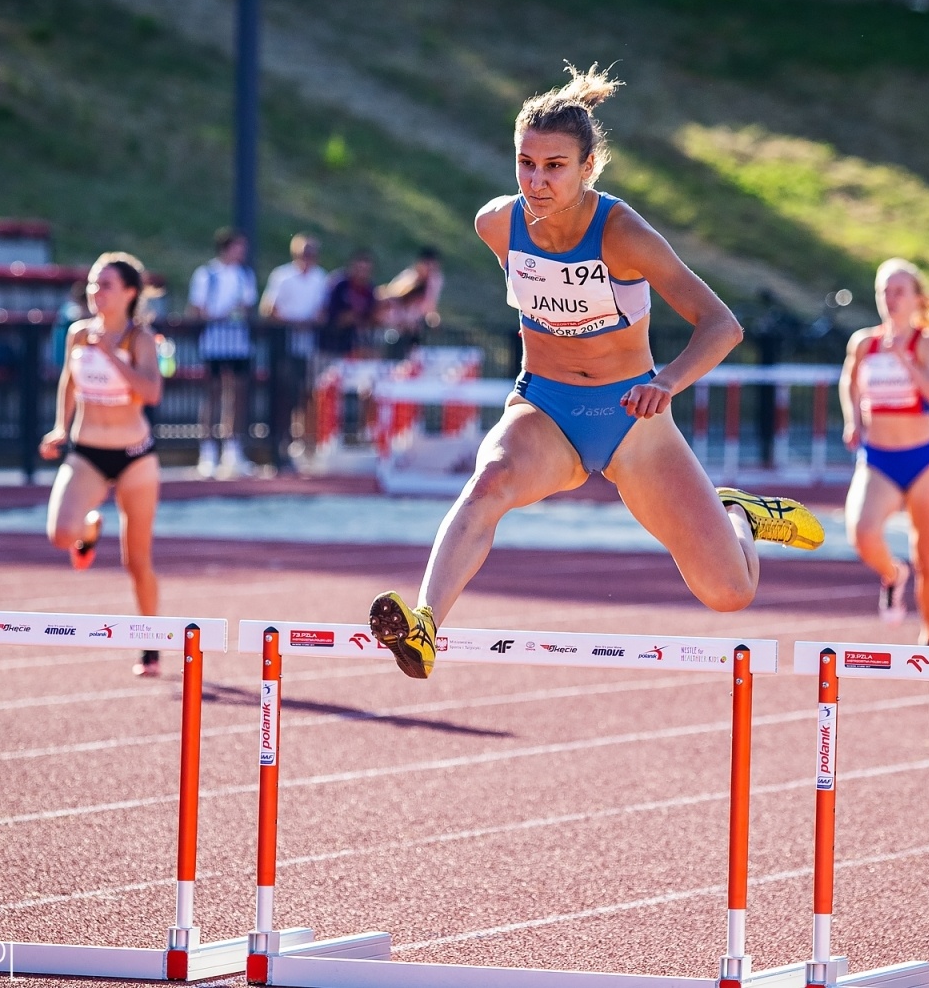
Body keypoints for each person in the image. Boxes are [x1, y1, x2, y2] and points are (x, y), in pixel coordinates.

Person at [364, 65, 824, 680]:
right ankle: (424, 627)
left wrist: (667, 382)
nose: (537, 180)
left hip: (632, 417)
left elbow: (722, 325)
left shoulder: (624, 235)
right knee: (490, 481)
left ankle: (736, 513)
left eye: (555, 166)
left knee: (729, 593)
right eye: (526, 163)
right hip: (544, 408)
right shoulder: (496, 224)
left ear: (588, 169)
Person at [840, 259, 929, 646]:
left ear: (916, 298)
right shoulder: (864, 343)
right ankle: (891, 574)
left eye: (898, 290)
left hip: (925, 462)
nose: (889, 298)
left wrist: (907, 362)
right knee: (863, 534)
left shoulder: (926, 345)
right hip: (879, 460)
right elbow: (848, 383)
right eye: (883, 290)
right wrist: (853, 419)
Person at [39, 253, 166, 677]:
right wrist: (60, 426)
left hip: (134, 456)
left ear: (130, 292)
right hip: (87, 450)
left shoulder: (140, 339)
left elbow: (151, 393)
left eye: (106, 284)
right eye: (93, 283)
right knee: (60, 535)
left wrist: (111, 355)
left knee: (137, 561)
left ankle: (150, 646)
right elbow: (69, 380)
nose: (96, 291)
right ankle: (91, 527)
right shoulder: (78, 333)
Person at [188, 228, 257, 478]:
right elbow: (197, 309)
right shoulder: (207, 274)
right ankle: (207, 451)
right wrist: (220, 316)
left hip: (238, 343)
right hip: (214, 343)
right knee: (213, 394)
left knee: (237, 393)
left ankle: (233, 449)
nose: (242, 252)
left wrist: (238, 314)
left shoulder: (244, 275)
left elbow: (247, 306)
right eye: (238, 246)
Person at [261, 234, 331, 458]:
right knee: (285, 394)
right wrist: (294, 323)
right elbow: (269, 308)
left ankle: (306, 439)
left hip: (309, 348)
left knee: (308, 393)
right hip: (285, 346)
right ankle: (282, 440)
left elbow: (322, 311)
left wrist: (313, 322)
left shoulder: (320, 278)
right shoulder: (282, 276)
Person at [376, 246, 444, 355]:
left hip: (413, 325)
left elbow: (429, 305)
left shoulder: (435, 280)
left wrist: (433, 319)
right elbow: (393, 298)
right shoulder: (409, 277)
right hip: (394, 325)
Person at [318, 249, 378, 357]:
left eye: (365, 270)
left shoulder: (369, 289)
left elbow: (370, 314)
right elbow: (328, 310)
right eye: (359, 269)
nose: (362, 274)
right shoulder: (340, 285)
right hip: (332, 341)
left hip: (355, 344)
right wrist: (343, 318)